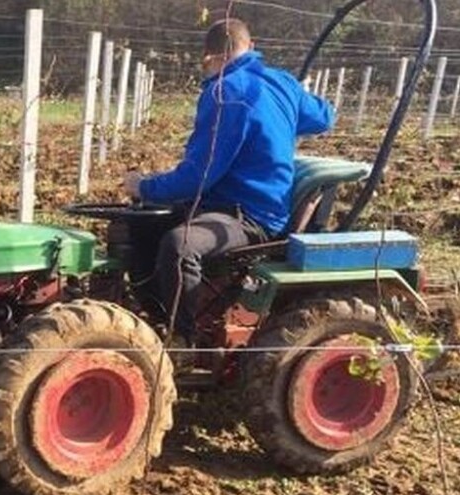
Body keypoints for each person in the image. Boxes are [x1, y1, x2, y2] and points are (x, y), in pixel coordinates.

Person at [123, 18, 335, 347]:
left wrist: (145, 186)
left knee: (179, 247)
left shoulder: (226, 92)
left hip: (247, 215)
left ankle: (184, 341)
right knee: (143, 224)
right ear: (250, 46)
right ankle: (154, 312)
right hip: (244, 203)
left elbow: (199, 175)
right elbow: (324, 117)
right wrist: (289, 103)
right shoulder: (282, 82)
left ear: (209, 58)